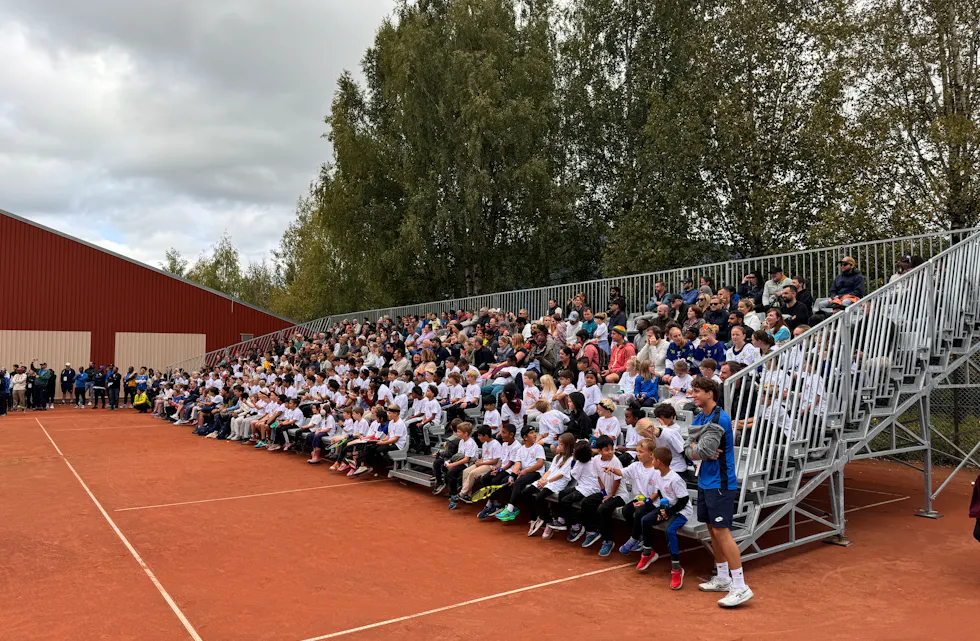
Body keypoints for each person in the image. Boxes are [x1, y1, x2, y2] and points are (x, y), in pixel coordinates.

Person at [686, 378, 753, 607]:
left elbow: (702, 449)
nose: (693, 395)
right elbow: (689, 448)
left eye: (696, 392)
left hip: (720, 483)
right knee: (712, 530)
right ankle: (723, 578)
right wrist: (696, 448)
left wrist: (697, 448)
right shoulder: (699, 417)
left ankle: (740, 586)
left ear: (709, 393)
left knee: (722, 532)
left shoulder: (718, 418)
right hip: (706, 481)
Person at [635, 447, 692, 589]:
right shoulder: (657, 474)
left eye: (653, 459)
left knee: (670, 531)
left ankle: (677, 569)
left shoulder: (675, 479)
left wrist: (669, 512)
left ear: (658, 462)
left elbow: (683, 500)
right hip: (668, 508)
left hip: (681, 511)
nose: (652, 461)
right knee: (645, 520)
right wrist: (662, 510)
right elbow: (661, 493)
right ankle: (648, 552)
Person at [494, 425, 546, 522]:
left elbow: (540, 464)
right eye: (531, 433)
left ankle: (510, 508)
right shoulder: (521, 449)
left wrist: (525, 471)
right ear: (525, 437)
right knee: (507, 481)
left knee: (518, 482)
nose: (535, 434)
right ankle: (512, 507)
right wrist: (512, 476)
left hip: (536, 473)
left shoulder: (538, 447)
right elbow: (518, 463)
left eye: (535, 432)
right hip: (524, 473)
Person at [447, 422, 479, 509]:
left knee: (451, 472)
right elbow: (459, 455)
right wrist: (450, 461)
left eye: (459, 432)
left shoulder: (470, 443)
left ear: (466, 433)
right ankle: (457, 486)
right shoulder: (461, 441)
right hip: (462, 461)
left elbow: (466, 459)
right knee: (445, 468)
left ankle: (454, 496)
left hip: (469, 464)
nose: (457, 433)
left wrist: (452, 464)